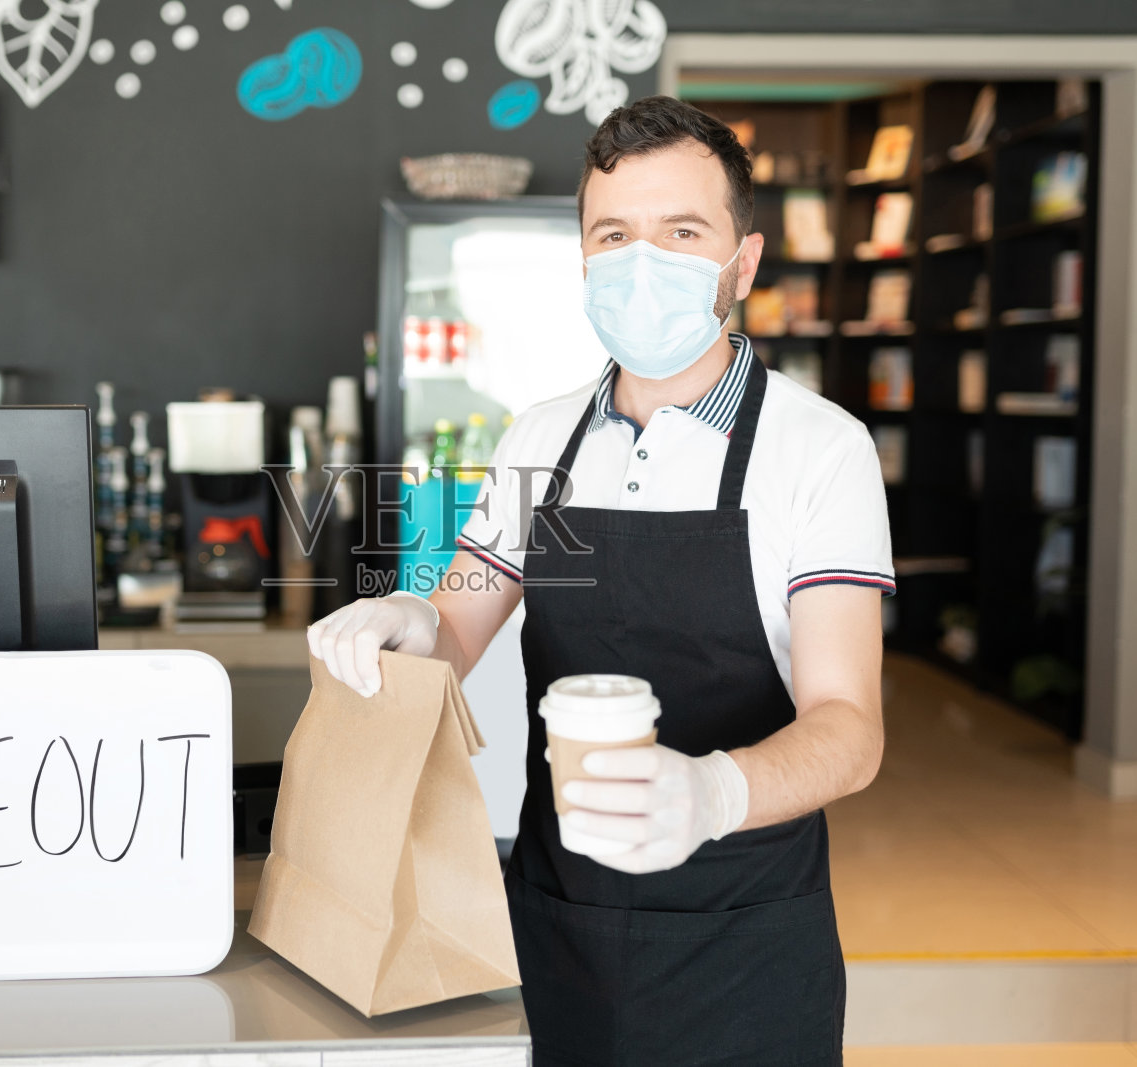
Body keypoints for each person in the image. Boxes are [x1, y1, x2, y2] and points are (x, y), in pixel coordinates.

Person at [308, 95, 893, 1066]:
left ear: (741, 263)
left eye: (681, 231)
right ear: (583, 261)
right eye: (614, 234)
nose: (641, 262)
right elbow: (458, 628)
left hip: (743, 933)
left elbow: (850, 725)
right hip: (557, 920)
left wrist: (710, 793)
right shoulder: (540, 434)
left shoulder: (818, 449)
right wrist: (408, 619)